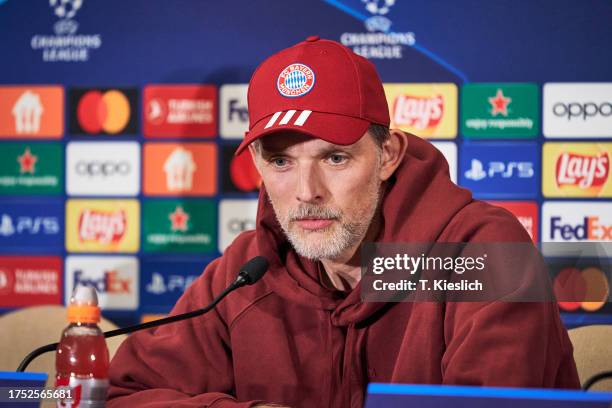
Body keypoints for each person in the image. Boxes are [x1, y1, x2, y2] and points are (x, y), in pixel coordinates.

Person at [107, 36, 580, 408]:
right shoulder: (247, 271)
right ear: (256, 162)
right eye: (281, 162)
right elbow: (122, 394)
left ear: (388, 154)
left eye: (334, 158)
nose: (306, 191)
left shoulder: (482, 252)